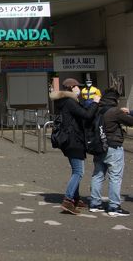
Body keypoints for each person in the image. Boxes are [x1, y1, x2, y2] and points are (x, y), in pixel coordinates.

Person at [49, 77, 100, 215]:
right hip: (74, 140)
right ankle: (68, 199)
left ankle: (75, 199)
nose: (81, 89)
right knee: (79, 171)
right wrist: (95, 102)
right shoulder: (70, 102)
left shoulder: (65, 101)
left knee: (76, 170)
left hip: (69, 140)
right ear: (72, 88)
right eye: (78, 87)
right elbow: (87, 115)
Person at [89, 88, 133, 216]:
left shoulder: (97, 110)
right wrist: (128, 113)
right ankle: (114, 207)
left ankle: (94, 204)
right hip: (113, 147)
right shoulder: (114, 111)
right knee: (115, 177)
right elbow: (131, 122)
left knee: (97, 175)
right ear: (114, 99)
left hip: (98, 147)